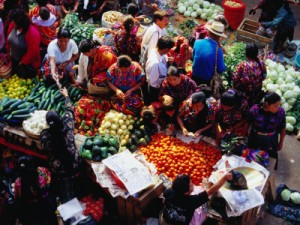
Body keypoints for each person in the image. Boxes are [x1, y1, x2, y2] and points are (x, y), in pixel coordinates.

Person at [41, 87, 82, 203]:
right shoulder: (68, 124)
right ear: (60, 119)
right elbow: (69, 109)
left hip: (59, 171)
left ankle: (65, 198)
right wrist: (66, 95)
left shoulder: (45, 136)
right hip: (74, 165)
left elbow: (44, 148)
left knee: (65, 189)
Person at [160, 173, 232, 225]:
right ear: (186, 193)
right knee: (205, 204)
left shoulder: (168, 192)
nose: (193, 184)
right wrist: (224, 178)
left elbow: (164, 199)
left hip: (166, 218)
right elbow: (211, 191)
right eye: (191, 184)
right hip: (181, 222)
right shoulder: (192, 201)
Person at [14, 156, 57, 225]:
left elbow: (17, 197)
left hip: (33, 210)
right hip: (46, 204)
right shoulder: (41, 171)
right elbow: (50, 177)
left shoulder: (18, 183)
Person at [248, 92, 286, 170]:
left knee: (269, 162)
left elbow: (283, 128)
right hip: (255, 138)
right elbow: (248, 121)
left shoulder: (280, 112)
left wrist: (281, 142)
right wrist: (245, 132)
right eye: (275, 106)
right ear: (267, 104)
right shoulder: (255, 109)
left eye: (279, 105)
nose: (278, 108)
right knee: (252, 159)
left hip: (271, 140)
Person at [6, 8, 41, 77]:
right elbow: (8, 38)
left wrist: (22, 63)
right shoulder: (13, 25)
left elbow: (32, 51)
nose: (12, 22)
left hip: (26, 65)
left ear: (21, 23)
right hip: (14, 60)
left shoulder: (32, 33)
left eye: (14, 21)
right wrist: (8, 52)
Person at [192, 21, 226, 86]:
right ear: (219, 37)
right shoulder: (218, 50)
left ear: (208, 32)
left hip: (194, 75)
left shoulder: (197, 42)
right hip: (207, 80)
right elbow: (221, 69)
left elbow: (193, 57)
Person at [144, 35, 174, 104]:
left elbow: (164, 58)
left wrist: (167, 60)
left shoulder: (158, 52)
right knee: (155, 104)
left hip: (160, 84)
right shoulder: (155, 63)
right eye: (169, 49)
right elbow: (153, 83)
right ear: (166, 49)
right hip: (155, 89)